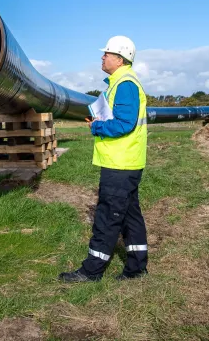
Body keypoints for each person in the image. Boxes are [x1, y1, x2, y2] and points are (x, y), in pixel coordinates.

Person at [59, 35, 149, 283]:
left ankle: (91, 271)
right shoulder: (119, 82)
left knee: (108, 216)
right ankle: (136, 268)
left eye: (106, 54)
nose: (102, 57)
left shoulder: (125, 84)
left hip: (120, 163)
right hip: (126, 161)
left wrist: (98, 128)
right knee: (130, 216)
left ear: (119, 60)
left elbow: (124, 124)